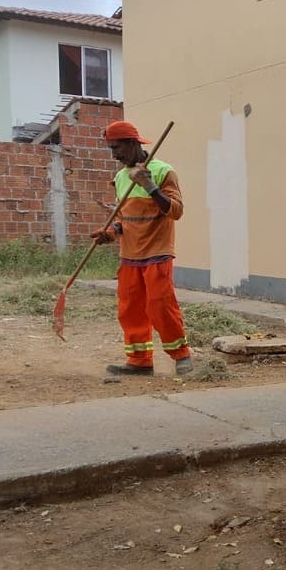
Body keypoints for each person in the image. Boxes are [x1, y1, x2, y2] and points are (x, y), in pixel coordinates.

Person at [90, 120, 193, 377]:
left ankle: (181, 355)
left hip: (157, 251)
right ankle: (139, 361)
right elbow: (124, 219)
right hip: (130, 256)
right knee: (130, 308)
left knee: (160, 305)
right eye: (111, 149)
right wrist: (110, 233)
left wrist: (150, 186)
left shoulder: (162, 171)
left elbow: (176, 211)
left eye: (117, 148)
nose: (114, 155)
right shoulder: (120, 177)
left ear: (133, 144)